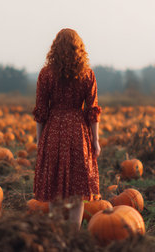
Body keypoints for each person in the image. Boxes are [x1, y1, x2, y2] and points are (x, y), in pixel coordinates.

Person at [32, 28, 102, 229]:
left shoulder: (46, 74)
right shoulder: (87, 74)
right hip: (78, 133)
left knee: (54, 187)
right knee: (78, 190)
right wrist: (95, 141)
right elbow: (92, 111)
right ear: (78, 49)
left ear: (55, 48)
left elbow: (41, 111)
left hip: (53, 130)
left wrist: (40, 140)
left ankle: (56, 232)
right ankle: (72, 234)